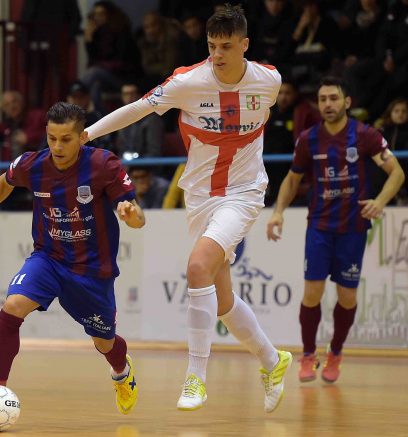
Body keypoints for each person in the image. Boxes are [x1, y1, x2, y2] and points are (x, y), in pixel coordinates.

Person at [83, 4, 292, 413]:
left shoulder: (269, 81)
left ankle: (195, 377)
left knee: (197, 268)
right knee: (223, 301)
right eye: (212, 45)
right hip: (199, 196)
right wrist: (86, 134)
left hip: (243, 192)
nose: (217, 54)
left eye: (226, 46)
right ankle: (273, 360)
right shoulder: (187, 82)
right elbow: (137, 109)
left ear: (244, 45)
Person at [0, 102, 145, 418]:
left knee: (104, 342)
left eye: (66, 139)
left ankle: (121, 373)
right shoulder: (33, 165)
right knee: (12, 308)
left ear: (82, 137)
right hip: (49, 258)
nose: (57, 147)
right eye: (52, 138)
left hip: (92, 270)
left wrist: (130, 214)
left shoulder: (103, 164)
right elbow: (4, 183)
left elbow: (138, 219)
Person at [266, 77, 405, 384]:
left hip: (353, 228)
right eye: (323, 99)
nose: (328, 104)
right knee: (312, 292)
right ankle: (307, 354)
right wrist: (277, 212)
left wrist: (380, 201)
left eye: (333, 98)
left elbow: (396, 172)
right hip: (319, 226)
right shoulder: (309, 139)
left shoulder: (365, 135)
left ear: (347, 102)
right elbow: (292, 179)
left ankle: (336, 352)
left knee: (347, 297)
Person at [0, 90, 46, 162]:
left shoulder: (37, 116)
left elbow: (49, 134)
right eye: (6, 105)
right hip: (11, 167)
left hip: (37, 165)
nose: (12, 106)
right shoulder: (6, 127)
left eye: (14, 102)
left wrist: (30, 138)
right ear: (4, 109)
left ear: (21, 102)